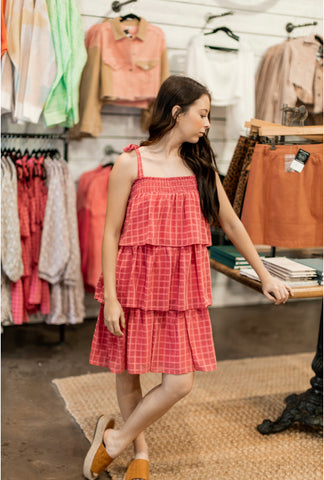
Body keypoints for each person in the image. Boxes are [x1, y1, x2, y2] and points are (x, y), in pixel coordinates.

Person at [83, 75, 292, 480]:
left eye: (209, 116)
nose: (208, 123)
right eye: (203, 114)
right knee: (129, 371)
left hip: (181, 288)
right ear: (177, 113)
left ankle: (116, 438)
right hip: (133, 282)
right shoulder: (131, 162)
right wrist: (111, 297)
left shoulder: (200, 167)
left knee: (179, 383)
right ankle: (139, 453)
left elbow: (231, 222)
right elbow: (110, 233)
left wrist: (264, 274)